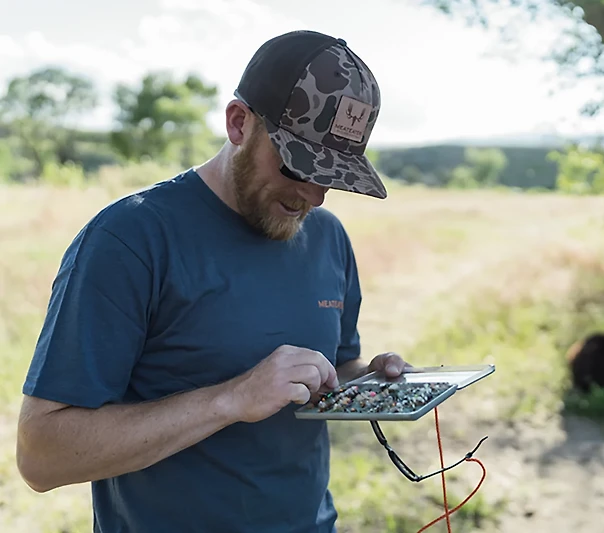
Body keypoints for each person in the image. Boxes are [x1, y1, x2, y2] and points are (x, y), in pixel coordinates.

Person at [16, 29, 412, 533]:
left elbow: (334, 368)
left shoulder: (328, 237)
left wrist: (371, 381)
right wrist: (231, 398)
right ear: (239, 122)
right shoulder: (129, 239)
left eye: (331, 176)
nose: (313, 197)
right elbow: (41, 455)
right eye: (298, 166)